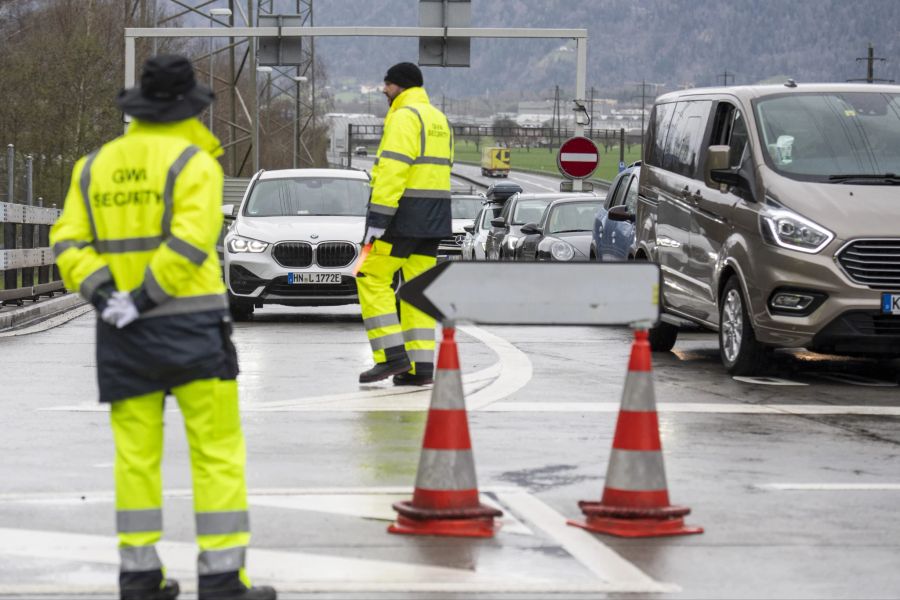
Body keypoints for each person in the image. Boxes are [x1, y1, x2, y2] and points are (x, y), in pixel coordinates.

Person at [49, 55, 275, 600]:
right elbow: (191, 241)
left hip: (122, 334)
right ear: (187, 107)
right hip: (192, 328)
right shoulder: (193, 163)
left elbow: (66, 242)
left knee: (134, 457)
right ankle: (221, 580)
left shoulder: (95, 165)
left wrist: (108, 295)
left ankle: (139, 576)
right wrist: (147, 295)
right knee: (216, 453)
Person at [357, 62, 453, 385]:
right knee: (416, 290)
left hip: (401, 219)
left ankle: (391, 356)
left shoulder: (403, 118)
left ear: (400, 86)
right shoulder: (439, 120)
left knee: (368, 274)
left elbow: (393, 170)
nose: (384, 90)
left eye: (387, 85)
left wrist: (378, 219)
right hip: (434, 221)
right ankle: (420, 367)